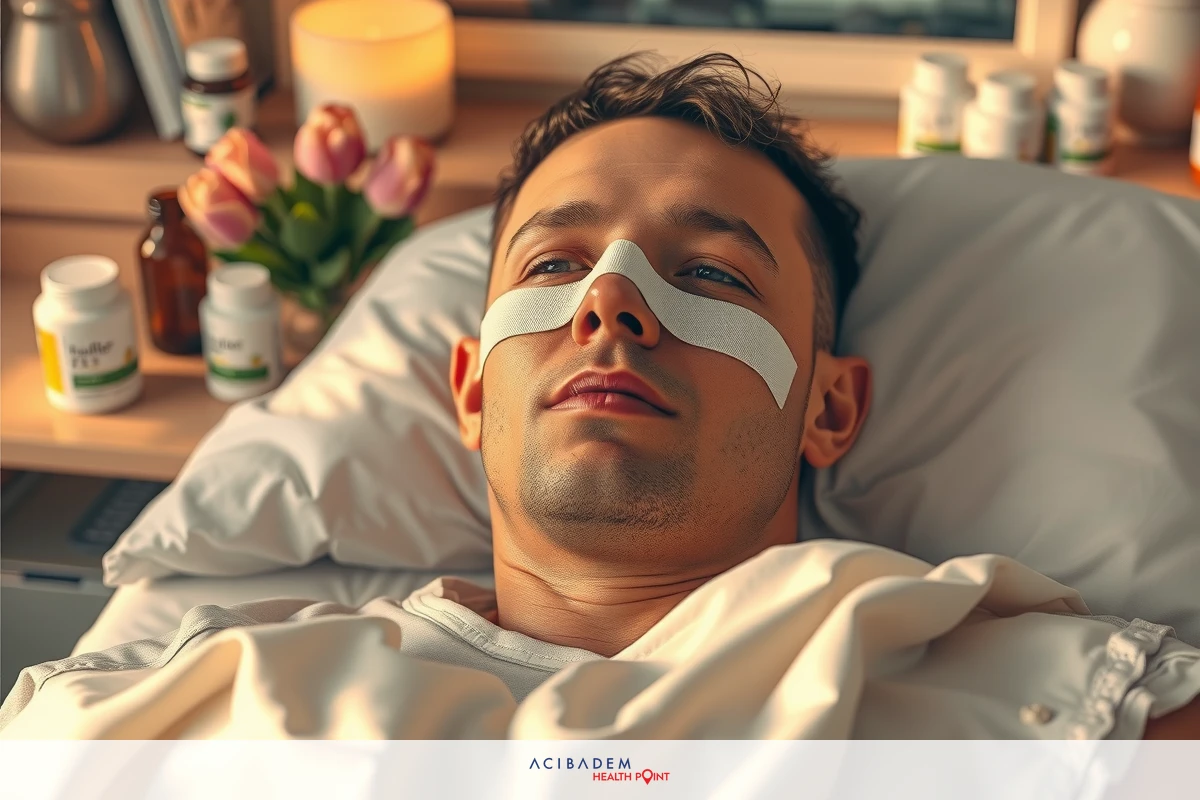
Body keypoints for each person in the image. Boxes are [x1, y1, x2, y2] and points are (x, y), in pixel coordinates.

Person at [1, 53, 1196, 741]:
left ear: (831, 407)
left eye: (712, 274)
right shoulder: (189, 716)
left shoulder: (1052, 704)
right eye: (555, 264)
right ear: (470, 389)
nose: (610, 306)